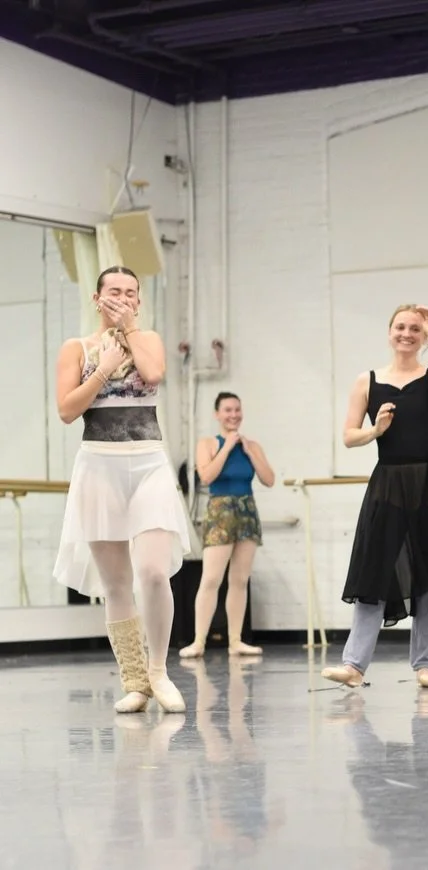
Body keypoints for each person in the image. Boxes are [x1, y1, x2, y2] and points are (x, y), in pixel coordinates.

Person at [52, 265, 190, 714]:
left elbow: (153, 373)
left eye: (131, 292)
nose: (123, 298)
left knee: (153, 570)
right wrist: (102, 370)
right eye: (114, 291)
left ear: (139, 301)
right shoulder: (76, 348)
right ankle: (134, 681)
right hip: (99, 465)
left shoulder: (148, 339)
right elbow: (67, 410)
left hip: (148, 462)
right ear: (97, 298)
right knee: (116, 583)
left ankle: (158, 670)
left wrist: (128, 330)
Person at [321, 304, 428, 690]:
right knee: (373, 570)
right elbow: (348, 435)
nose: (407, 333)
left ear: (422, 337)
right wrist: (375, 430)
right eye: (401, 327)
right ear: (389, 332)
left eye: (415, 329)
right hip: (387, 483)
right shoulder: (367, 381)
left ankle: (425, 665)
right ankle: (354, 666)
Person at [179, 391, 275, 658]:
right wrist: (227, 447)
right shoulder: (207, 443)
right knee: (211, 578)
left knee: (240, 579)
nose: (233, 415)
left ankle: (235, 641)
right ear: (217, 414)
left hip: (246, 511)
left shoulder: (252, 445)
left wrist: (248, 451)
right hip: (220, 511)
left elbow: (269, 479)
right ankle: (199, 641)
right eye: (228, 410)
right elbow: (206, 476)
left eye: (237, 410)